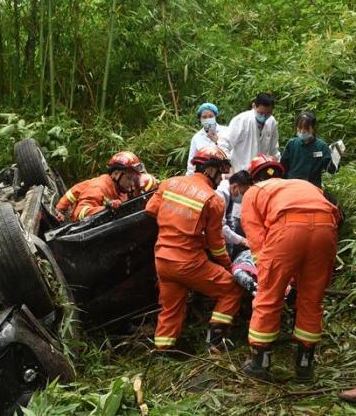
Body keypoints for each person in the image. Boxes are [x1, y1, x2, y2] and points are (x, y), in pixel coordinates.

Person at [240, 154, 340, 381]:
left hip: (287, 228)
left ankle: (260, 363)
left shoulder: (253, 193)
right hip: (326, 227)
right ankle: (305, 364)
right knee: (312, 298)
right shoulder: (303, 185)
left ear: (252, 179)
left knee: (268, 296)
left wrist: (268, 274)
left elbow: (257, 241)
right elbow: (335, 213)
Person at [145, 146, 242, 354]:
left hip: (162, 260)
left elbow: (150, 210)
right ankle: (215, 342)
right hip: (189, 263)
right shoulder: (213, 200)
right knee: (231, 290)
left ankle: (162, 354)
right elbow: (217, 245)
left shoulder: (169, 183)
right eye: (221, 172)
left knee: (171, 308)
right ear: (211, 170)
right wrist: (229, 267)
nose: (222, 179)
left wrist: (174, 224)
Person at [55, 151, 145, 222]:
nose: (132, 183)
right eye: (129, 178)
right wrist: (106, 209)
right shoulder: (99, 187)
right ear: (116, 174)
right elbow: (79, 214)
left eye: (135, 179)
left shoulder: (121, 191)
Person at [219, 93, 280, 172]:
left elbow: (273, 149)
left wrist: (277, 165)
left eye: (268, 114)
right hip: (240, 171)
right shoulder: (242, 120)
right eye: (261, 113)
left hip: (262, 172)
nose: (264, 117)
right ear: (254, 106)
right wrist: (227, 163)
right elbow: (224, 143)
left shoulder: (271, 121)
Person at [281, 111, 335, 188]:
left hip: (312, 187)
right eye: (300, 128)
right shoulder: (292, 143)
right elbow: (283, 166)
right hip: (292, 186)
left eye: (306, 129)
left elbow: (330, 169)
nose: (302, 131)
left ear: (313, 128)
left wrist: (335, 161)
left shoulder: (321, 146)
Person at [215, 170, 250, 258]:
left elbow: (229, 222)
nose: (243, 197)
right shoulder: (220, 195)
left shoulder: (229, 195)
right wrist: (243, 240)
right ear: (234, 187)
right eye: (243, 193)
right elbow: (220, 228)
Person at [187, 103, 228, 174]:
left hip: (222, 175)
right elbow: (191, 163)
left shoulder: (226, 131)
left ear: (215, 117)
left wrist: (218, 141)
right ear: (200, 119)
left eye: (210, 116)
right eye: (204, 117)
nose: (208, 119)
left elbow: (232, 154)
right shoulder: (196, 137)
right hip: (203, 176)